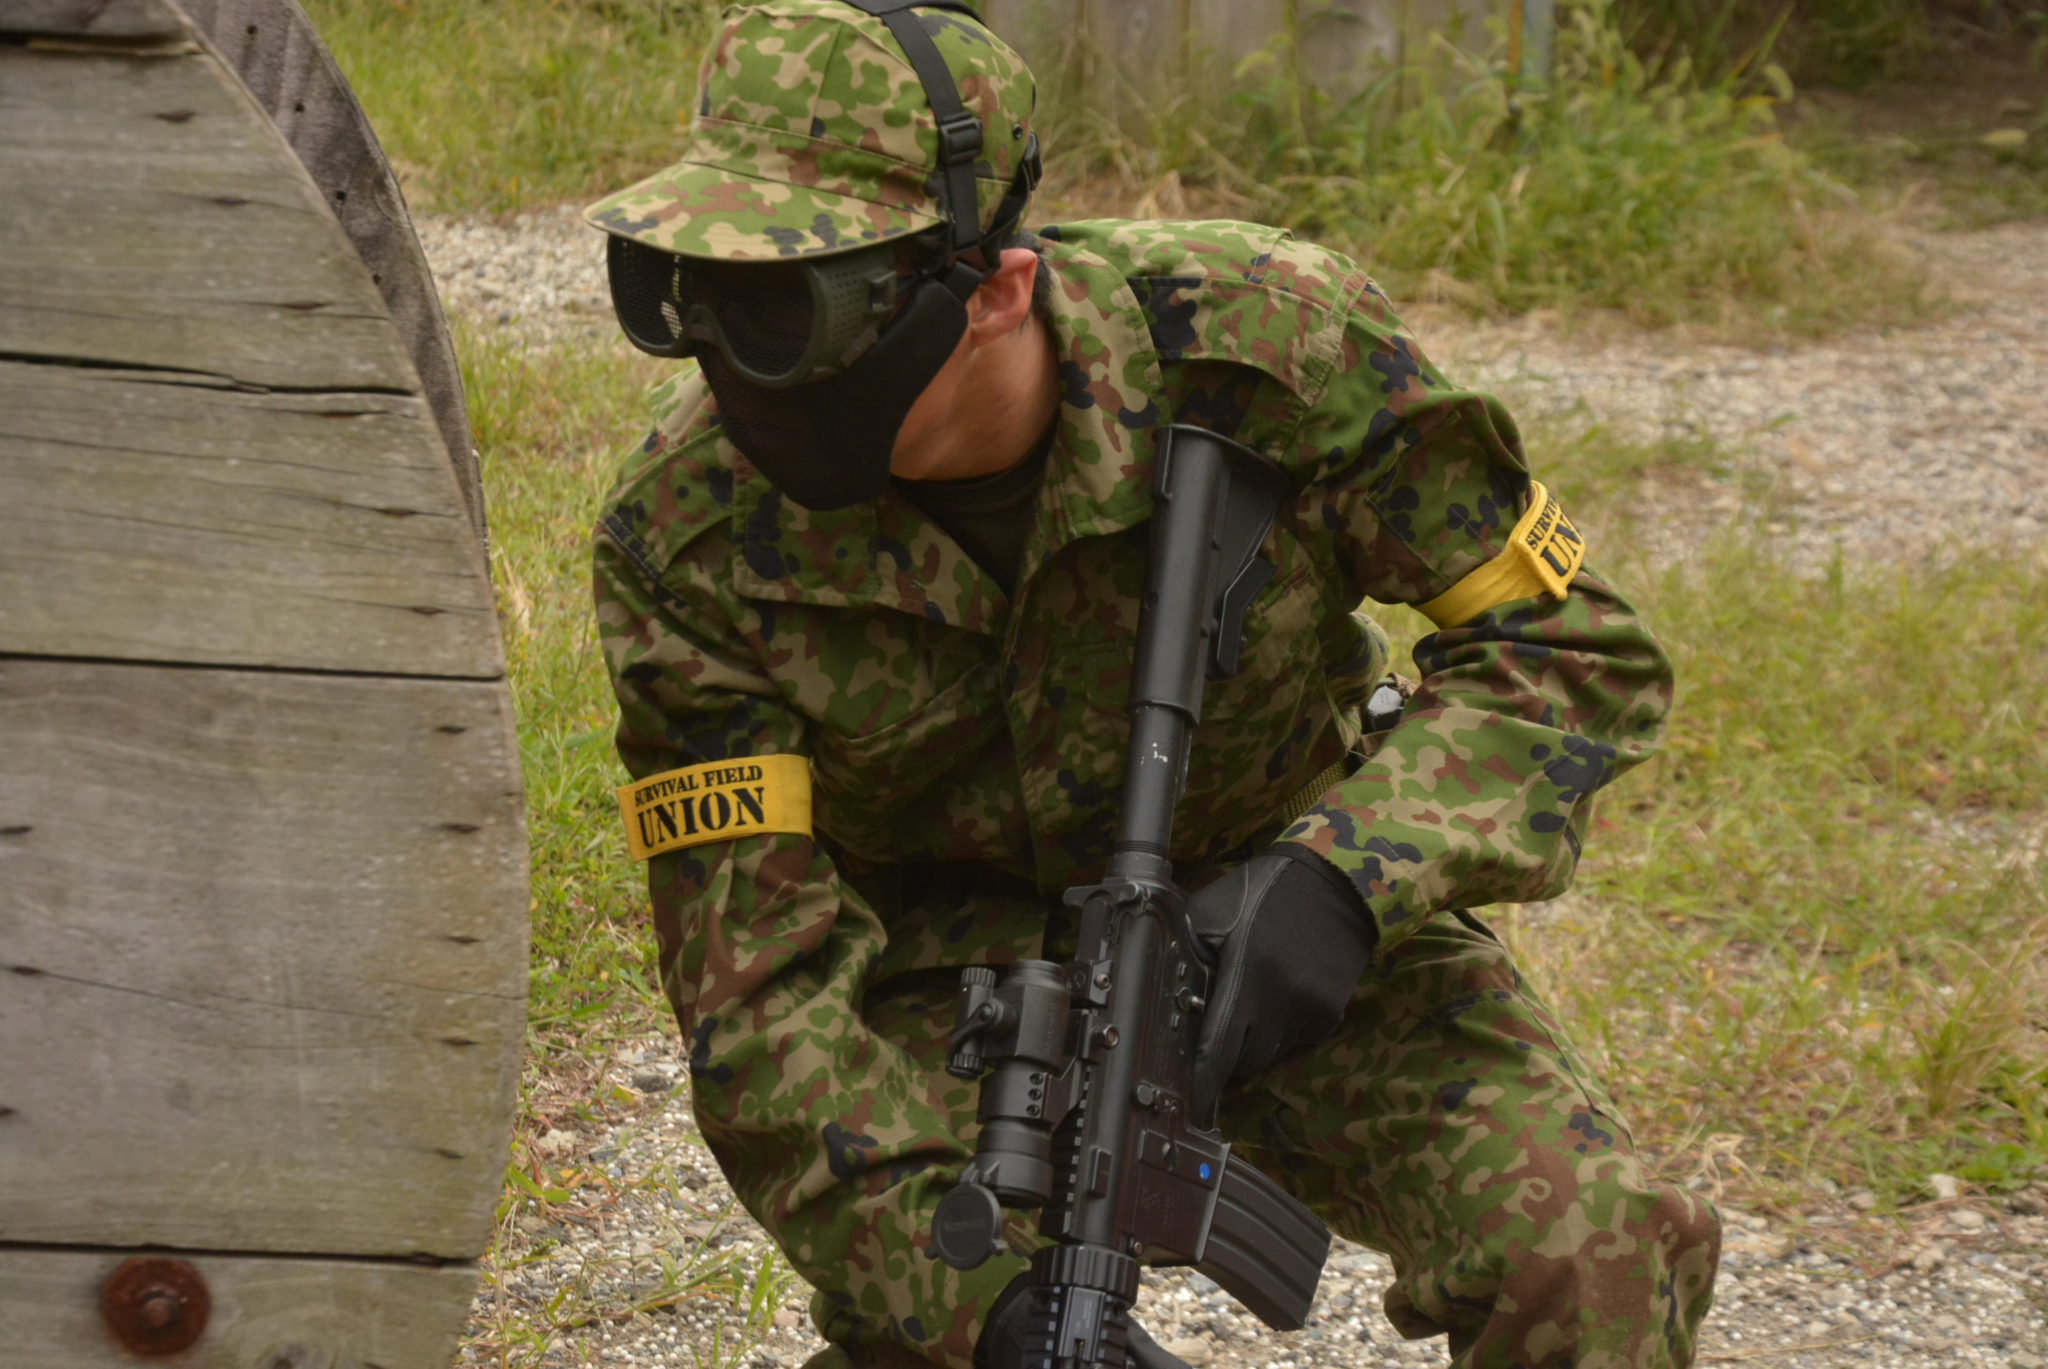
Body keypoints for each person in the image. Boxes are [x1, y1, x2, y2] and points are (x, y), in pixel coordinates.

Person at [584, 3, 1722, 1368]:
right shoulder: (690, 537)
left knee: (1595, 1250)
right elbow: (758, 999)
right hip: (948, 986)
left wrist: (1345, 879)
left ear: (995, 287)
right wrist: (984, 1312)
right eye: (697, 293)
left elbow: (1570, 649)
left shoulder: (1266, 351)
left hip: (1281, 927)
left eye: (796, 308)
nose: (740, 362)